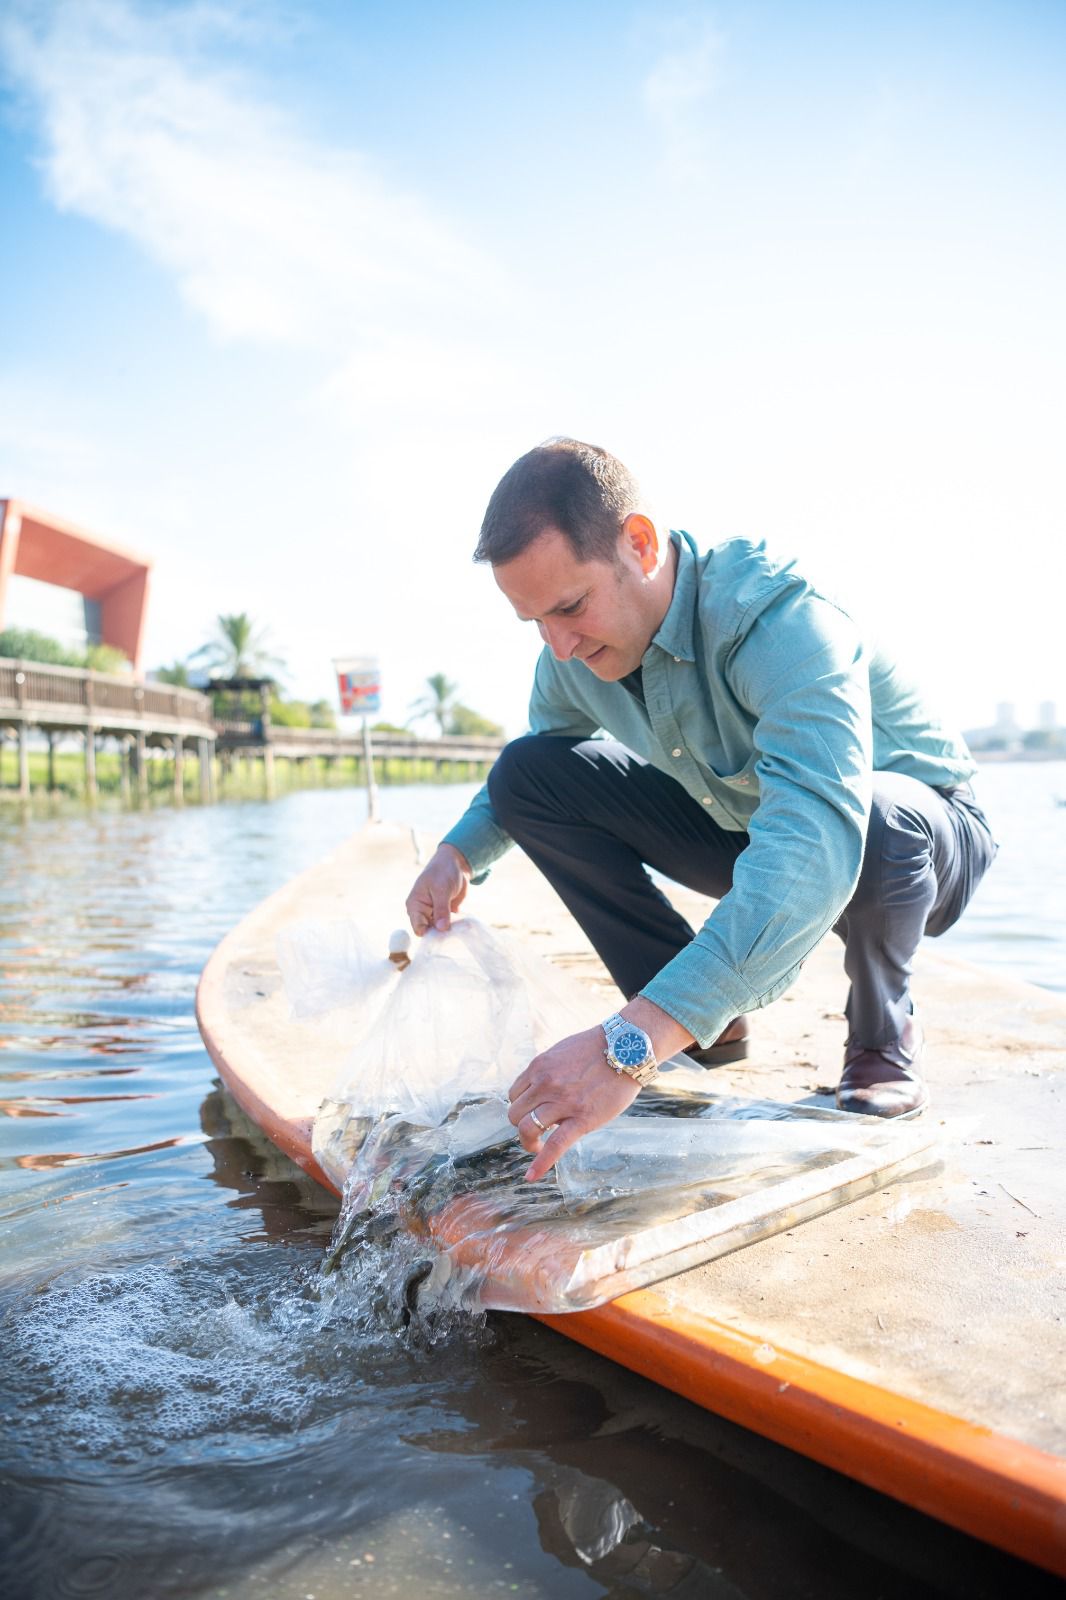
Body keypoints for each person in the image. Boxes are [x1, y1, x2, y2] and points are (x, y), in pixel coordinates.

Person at [405, 439, 997, 1182]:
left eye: (570, 607)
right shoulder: (573, 658)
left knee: (871, 814)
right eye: (534, 623)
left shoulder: (781, 621)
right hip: (745, 824)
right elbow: (529, 764)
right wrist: (457, 852)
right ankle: (705, 1031)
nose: (557, 647)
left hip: (917, 846)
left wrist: (631, 1042)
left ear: (641, 544)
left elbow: (814, 839)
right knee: (528, 774)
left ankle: (881, 1040)